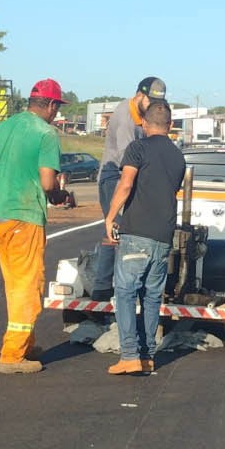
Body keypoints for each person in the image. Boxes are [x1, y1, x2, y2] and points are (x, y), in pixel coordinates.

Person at [0, 79, 65, 374]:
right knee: (28, 284)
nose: (56, 114)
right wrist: (59, 196)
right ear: (50, 106)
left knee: (15, 281)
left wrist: (5, 183)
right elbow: (48, 182)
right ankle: (12, 355)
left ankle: (25, 343)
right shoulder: (46, 134)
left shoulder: (6, 126)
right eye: (57, 108)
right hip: (24, 215)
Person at [102, 99, 185, 376]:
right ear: (170, 126)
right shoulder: (178, 156)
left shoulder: (137, 148)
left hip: (137, 232)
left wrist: (111, 215)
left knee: (125, 293)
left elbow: (126, 184)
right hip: (163, 235)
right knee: (151, 297)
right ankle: (148, 356)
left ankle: (129, 355)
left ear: (145, 124)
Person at [89, 76, 167, 290]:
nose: (151, 106)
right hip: (114, 176)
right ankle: (106, 285)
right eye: (149, 101)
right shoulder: (125, 117)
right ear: (139, 95)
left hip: (121, 174)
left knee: (117, 231)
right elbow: (128, 159)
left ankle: (106, 285)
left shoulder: (140, 114)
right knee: (119, 230)